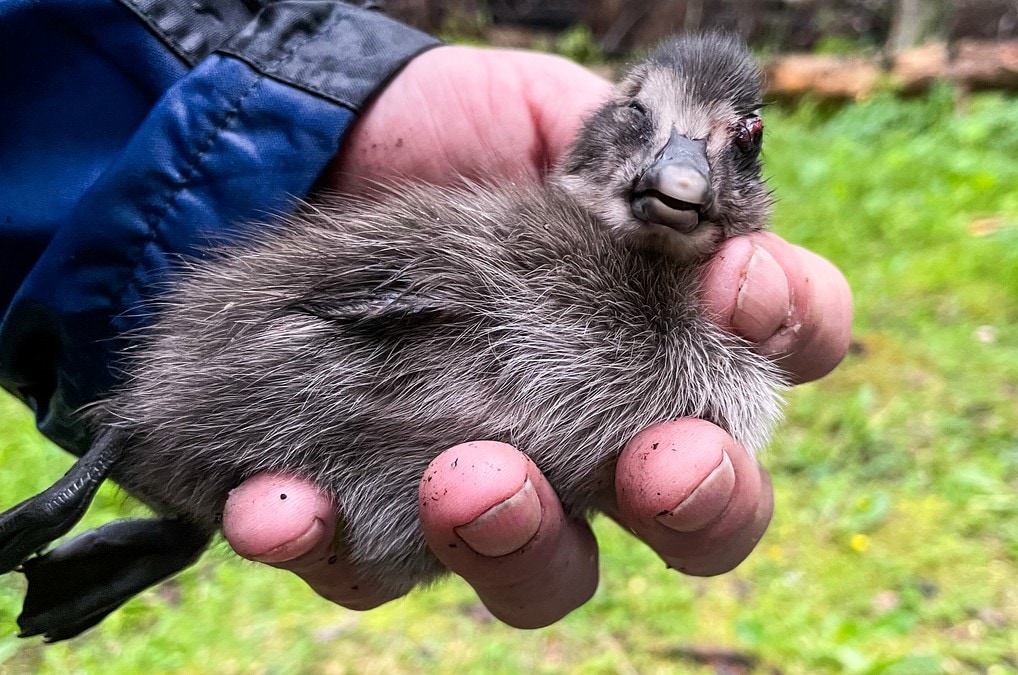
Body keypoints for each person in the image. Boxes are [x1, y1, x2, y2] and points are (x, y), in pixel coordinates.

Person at [0, 0, 852, 627]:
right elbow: (305, 298)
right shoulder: (526, 242)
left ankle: (172, 522)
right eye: (647, 123)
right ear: (602, 132)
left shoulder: (719, 307)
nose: (680, 172)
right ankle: (135, 479)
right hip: (227, 373)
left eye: (725, 144)